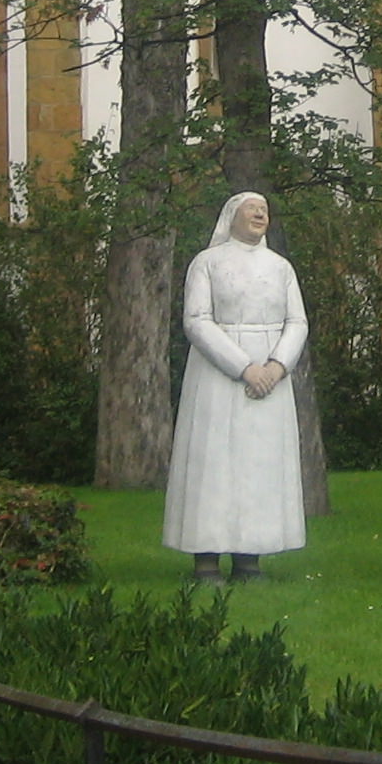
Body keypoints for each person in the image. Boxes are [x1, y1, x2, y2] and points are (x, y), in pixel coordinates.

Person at [162, 192, 309, 582]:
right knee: (212, 465)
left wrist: (276, 366)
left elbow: (297, 322)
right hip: (217, 377)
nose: (260, 214)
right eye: (252, 208)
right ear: (231, 216)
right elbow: (196, 320)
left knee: (258, 467)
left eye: (264, 209)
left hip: (271, 378)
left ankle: (249, 557)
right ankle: (206, 558)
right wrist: (244, 368)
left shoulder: (281, 267)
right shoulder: (207, 263)